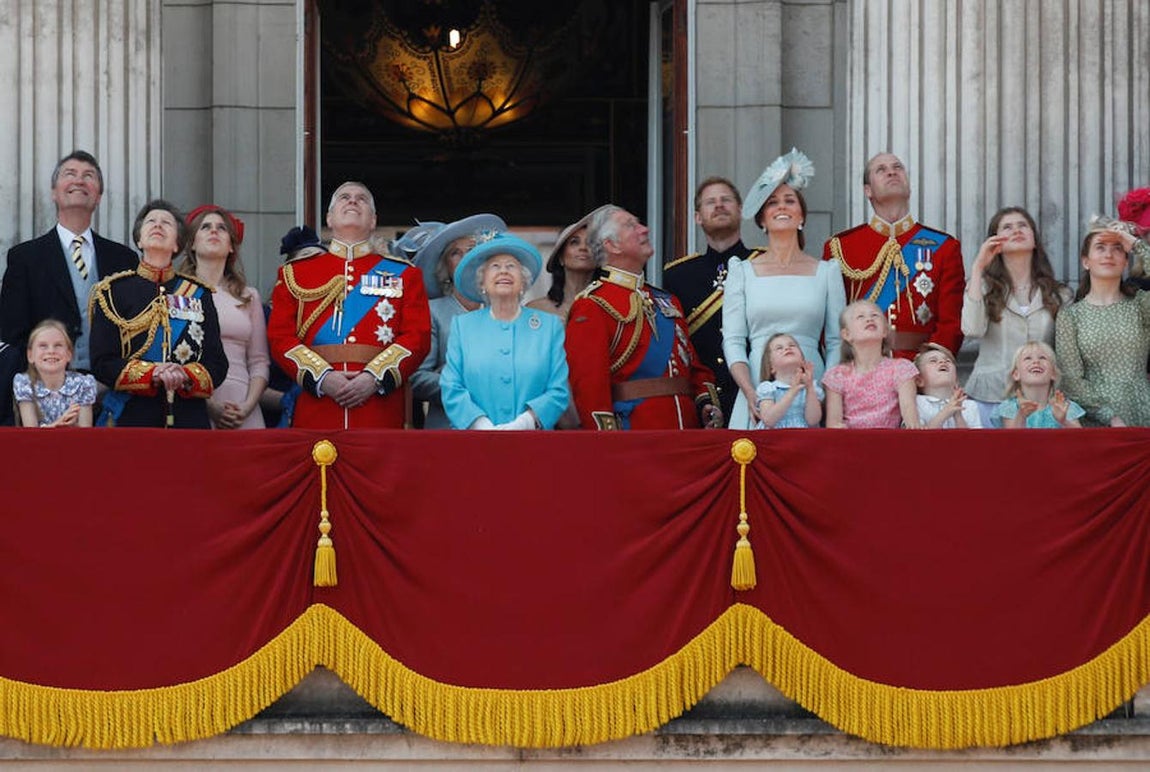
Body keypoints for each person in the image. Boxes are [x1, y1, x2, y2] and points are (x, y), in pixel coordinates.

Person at [266, 181, 431, 429]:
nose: (353, 200)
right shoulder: (294, 273)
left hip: (379, 408)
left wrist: (374, 378)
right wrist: (322, 378)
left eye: (361, 198)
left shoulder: (405, 274)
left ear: (373, 221)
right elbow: (280, 337)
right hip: (318, 405)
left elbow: (417, 337)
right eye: (344, 197)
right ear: (329, 218)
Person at [565, 205, 723, 430]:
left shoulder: (667, 300)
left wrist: (705, 402)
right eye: (631, 225)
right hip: (636, 434)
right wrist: (608, 441)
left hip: (687, 431)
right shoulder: (592, 305)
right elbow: (589, 388)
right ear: (612, 245)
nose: (644, 229)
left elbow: (692, 365)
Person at [0, 151, 137, 409]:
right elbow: (12, 332)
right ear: (54, 192)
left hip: (112, 394)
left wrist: (112, 380)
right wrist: (48, 380)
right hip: (44, 394)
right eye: (70, 174)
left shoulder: (124, 259)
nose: (79, 180)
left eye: (89, 176)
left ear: (98, 196)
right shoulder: (24, 258)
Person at [723, 149, 845, 430]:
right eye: (772, 202)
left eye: (790, 201)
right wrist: (750, 391)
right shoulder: (742, 271)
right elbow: (733, 340)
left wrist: (825, 392)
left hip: (812, 384)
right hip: (758, 382)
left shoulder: (827, 271)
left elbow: (836, 342)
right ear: (762, 220)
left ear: (801, 216)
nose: (782, 207)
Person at [89, 200, 227, 428]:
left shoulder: (199, 293)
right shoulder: (113, 292)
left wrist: (185, 374)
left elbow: (217, 363)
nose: (158, 225)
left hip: (188, 417)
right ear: (139, 240)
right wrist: (151, 374)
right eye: (151, 221)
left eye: (166, 223)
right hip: (132, 416)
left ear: (177, 244)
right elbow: (102, 362)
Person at [824, 152, 965, 360]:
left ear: (909, 186)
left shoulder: (944, 246)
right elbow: (831, 323)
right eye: (881, 170)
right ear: (868, 190)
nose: (891, 172)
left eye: (897, 167)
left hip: (920, 364)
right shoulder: (841, 247)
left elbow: (951, 322)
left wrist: (930, 364)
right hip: (861, 366)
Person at [440, 233, 570, 430]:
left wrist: (525, 422)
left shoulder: (549, 327)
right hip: (474, 440)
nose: (503, 271)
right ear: (482, 283)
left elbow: (558, 389)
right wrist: (480, 424)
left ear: (523, 282)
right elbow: (451, 386)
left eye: (511, 266)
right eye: (495, 266)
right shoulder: (463, 326)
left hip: (532, 440)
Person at [961, 207, 1071, 425]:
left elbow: (1066, 353)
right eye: (1007, 227)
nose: (1016, 230)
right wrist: (978, 267)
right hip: (990, 396)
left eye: (1023, 225)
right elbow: (972, 329)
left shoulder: (1059, 294)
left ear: (1034, 239)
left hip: (1041, 402)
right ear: (995, 242)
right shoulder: (982, 287)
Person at [663, 178, 752, 421]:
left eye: (726, 200)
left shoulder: (761, 265)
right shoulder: (677, 275)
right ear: (697, 217)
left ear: (740, 210)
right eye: (710, 202)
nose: (719, 205)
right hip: (701, 398)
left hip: (753, 390)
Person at [408, 213, 507, 428]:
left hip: (501, 425)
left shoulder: (505, 310)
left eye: (471, 250)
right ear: (445, 267)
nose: (465, 258)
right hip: (448, 427)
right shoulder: (432, 311)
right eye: (455, 253)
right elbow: (417, 379)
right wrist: (464, 384)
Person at [181, 204, 270, 429]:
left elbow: (259, 361)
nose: (214, 231)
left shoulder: (248, 296)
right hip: (194, 403)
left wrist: (247, 406)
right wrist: (209, 405)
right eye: (205, 227)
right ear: (192, 243)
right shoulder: (178, 293)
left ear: (231, 246)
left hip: (242, 404)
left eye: (221, 228)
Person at [1054, 224, 1150, 426]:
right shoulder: (1070, 316)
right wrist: (1110, 417)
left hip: (1143, 411)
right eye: (1100, 247)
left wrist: (1136, 245)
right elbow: (1071, 379)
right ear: (1086, 261)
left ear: (1125, 261)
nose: (1109, 255)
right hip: (1097, 421)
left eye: (1117, 248)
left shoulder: (1140, 304)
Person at [823, 300, 921, 429]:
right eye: (860, 316)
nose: (869, 319)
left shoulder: (901, 368)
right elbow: (833, 426)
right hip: (850, 440)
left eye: (875, 315)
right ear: (846, 334)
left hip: (891, 439)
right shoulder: (837, 375)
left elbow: (911, 421)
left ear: (885, 331)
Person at [13, 319, 96, 428]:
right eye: (43, 346)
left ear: (69, 354)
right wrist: (57, 424)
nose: (51, 351)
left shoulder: (84, 384)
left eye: (58, 345)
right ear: (30, 355)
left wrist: (72, 425)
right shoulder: (24, 384)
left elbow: (86, 432)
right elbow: (31, 431)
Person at [528, 207, 605, 321]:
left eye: (590, 243)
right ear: (560, 257)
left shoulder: (609, 310)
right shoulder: (536, 310)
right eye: (574, 242)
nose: (583, 248)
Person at [992, 341, 1083, 428]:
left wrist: (1064, 421)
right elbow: (1010, 437)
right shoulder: (1010, 407)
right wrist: (1021, 416)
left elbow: (1081, 437)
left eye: (1042, 358)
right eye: (1028, 358)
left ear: (1053, 373)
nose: (1036, 361)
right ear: (1016, 374)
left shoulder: (1064, 406)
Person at [754, 332, 822, 429]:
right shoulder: (768, 388)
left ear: (802, 361)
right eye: (779, 348)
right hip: (775, 436)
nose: (787, 348)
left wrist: (810, 387)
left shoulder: (811, 387)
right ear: (771, 367)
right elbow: (768, 420)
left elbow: (813, 421)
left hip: (803, 435)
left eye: (792, 345)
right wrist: (792, 391)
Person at [913, 343, 980, 429]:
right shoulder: (916, 403)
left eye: (948, 361)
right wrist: (946, 412)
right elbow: (919, 436)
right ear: (919, 381)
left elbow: (973, 437)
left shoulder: (970, 405)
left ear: (956, 380)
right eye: (933, 361)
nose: (943, 362)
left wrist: (958, 415)